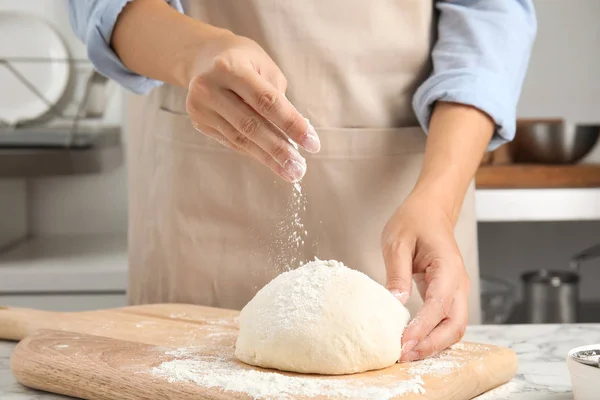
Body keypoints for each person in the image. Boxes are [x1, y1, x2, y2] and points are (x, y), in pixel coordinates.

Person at [68, 0, 536, 362]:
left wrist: (439, 198)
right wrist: (194, 52)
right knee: (183, 366)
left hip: (413, 188)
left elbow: (490, 14)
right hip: (201, 192)